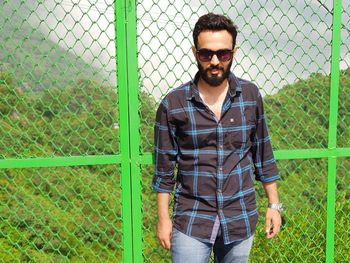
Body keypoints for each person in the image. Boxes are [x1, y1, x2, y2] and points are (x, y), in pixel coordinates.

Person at [153, 13, 282, 263]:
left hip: (239, 215)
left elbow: (263, 153)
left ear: (233, 52)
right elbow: (164, 170)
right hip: (192, 218)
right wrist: (163, 218)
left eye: (223, 54)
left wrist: (274, 205)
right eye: (206, 54)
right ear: (195, 53)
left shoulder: (250, 96)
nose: (215, 61)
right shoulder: (173, 105)